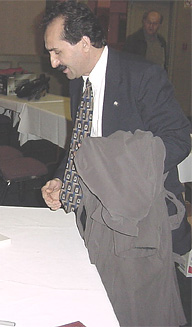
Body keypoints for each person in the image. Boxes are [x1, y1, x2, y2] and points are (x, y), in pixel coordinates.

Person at [40, 1, 191, 326]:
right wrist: (62, 178)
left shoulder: (143, 76)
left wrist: (123, 167)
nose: (52, 63)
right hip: (94, 214)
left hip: (138, 220)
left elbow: (179, 137)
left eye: (56, 52)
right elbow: (80, 144)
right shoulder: (78, 80)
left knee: (136, 312)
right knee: (95, 299)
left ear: (83, 43)